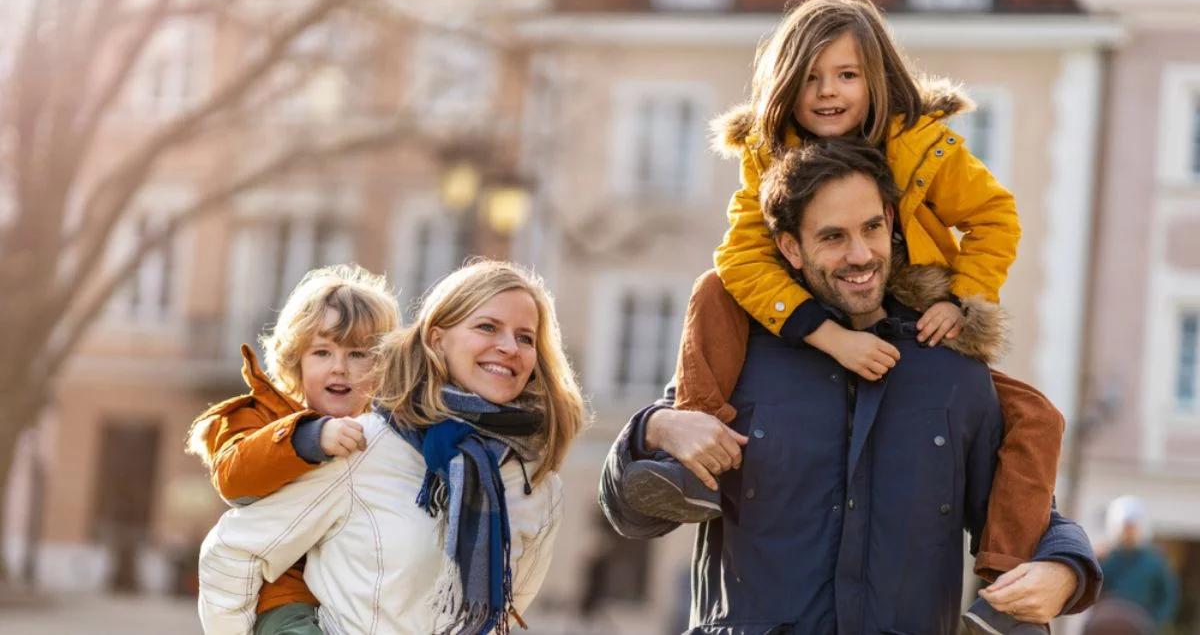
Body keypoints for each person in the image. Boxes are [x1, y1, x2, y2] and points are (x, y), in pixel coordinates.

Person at [626, 0, 1065, 632]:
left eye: (847, 75)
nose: (829, 92)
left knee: (1036, 416)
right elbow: (740, 259)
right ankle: (692, 454)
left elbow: (994, 215)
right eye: (811, 78)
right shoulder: (767, 156)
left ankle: (1007, 589)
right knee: (713, 290)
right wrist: (825, 336)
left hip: (912, 307)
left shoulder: (923, 145)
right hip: (793, 303)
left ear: (876, 79)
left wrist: (961, 295)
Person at [600, 140, 1101, 634]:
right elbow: (632, 513)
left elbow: (1027, 507)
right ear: (791, 248)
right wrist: (655, 428)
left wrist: (1067, 569)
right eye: (833, 237)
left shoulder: (950, 372)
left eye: (872, 228)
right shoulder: (739, 351)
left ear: (890, 222)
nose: (860, 254)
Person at [197, 260, 587, 635]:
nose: (509, 347)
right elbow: (231, 552)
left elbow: (501, 612)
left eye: (525, 337)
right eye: (488, 327)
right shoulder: (365, 444)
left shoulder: (538, 482)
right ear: (436, 338)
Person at [186, 264, 401, 635]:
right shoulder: (262, 415)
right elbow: (234, 477)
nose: (339, 368)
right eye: (322, 353)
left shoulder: (387, 434)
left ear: (382, 365)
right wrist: (308, 438)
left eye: (358, 354)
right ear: (296, 361)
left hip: (361, 592)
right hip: (287, 595)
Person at [1097, 496, 1179, 630]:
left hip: (1140, 625)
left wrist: (1152, 621)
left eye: (1132, 527)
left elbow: (1167, 597)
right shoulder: (1105, 558)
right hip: (1105, 623)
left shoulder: (1155, 562)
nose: (1128, 532)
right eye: (1125, 527)